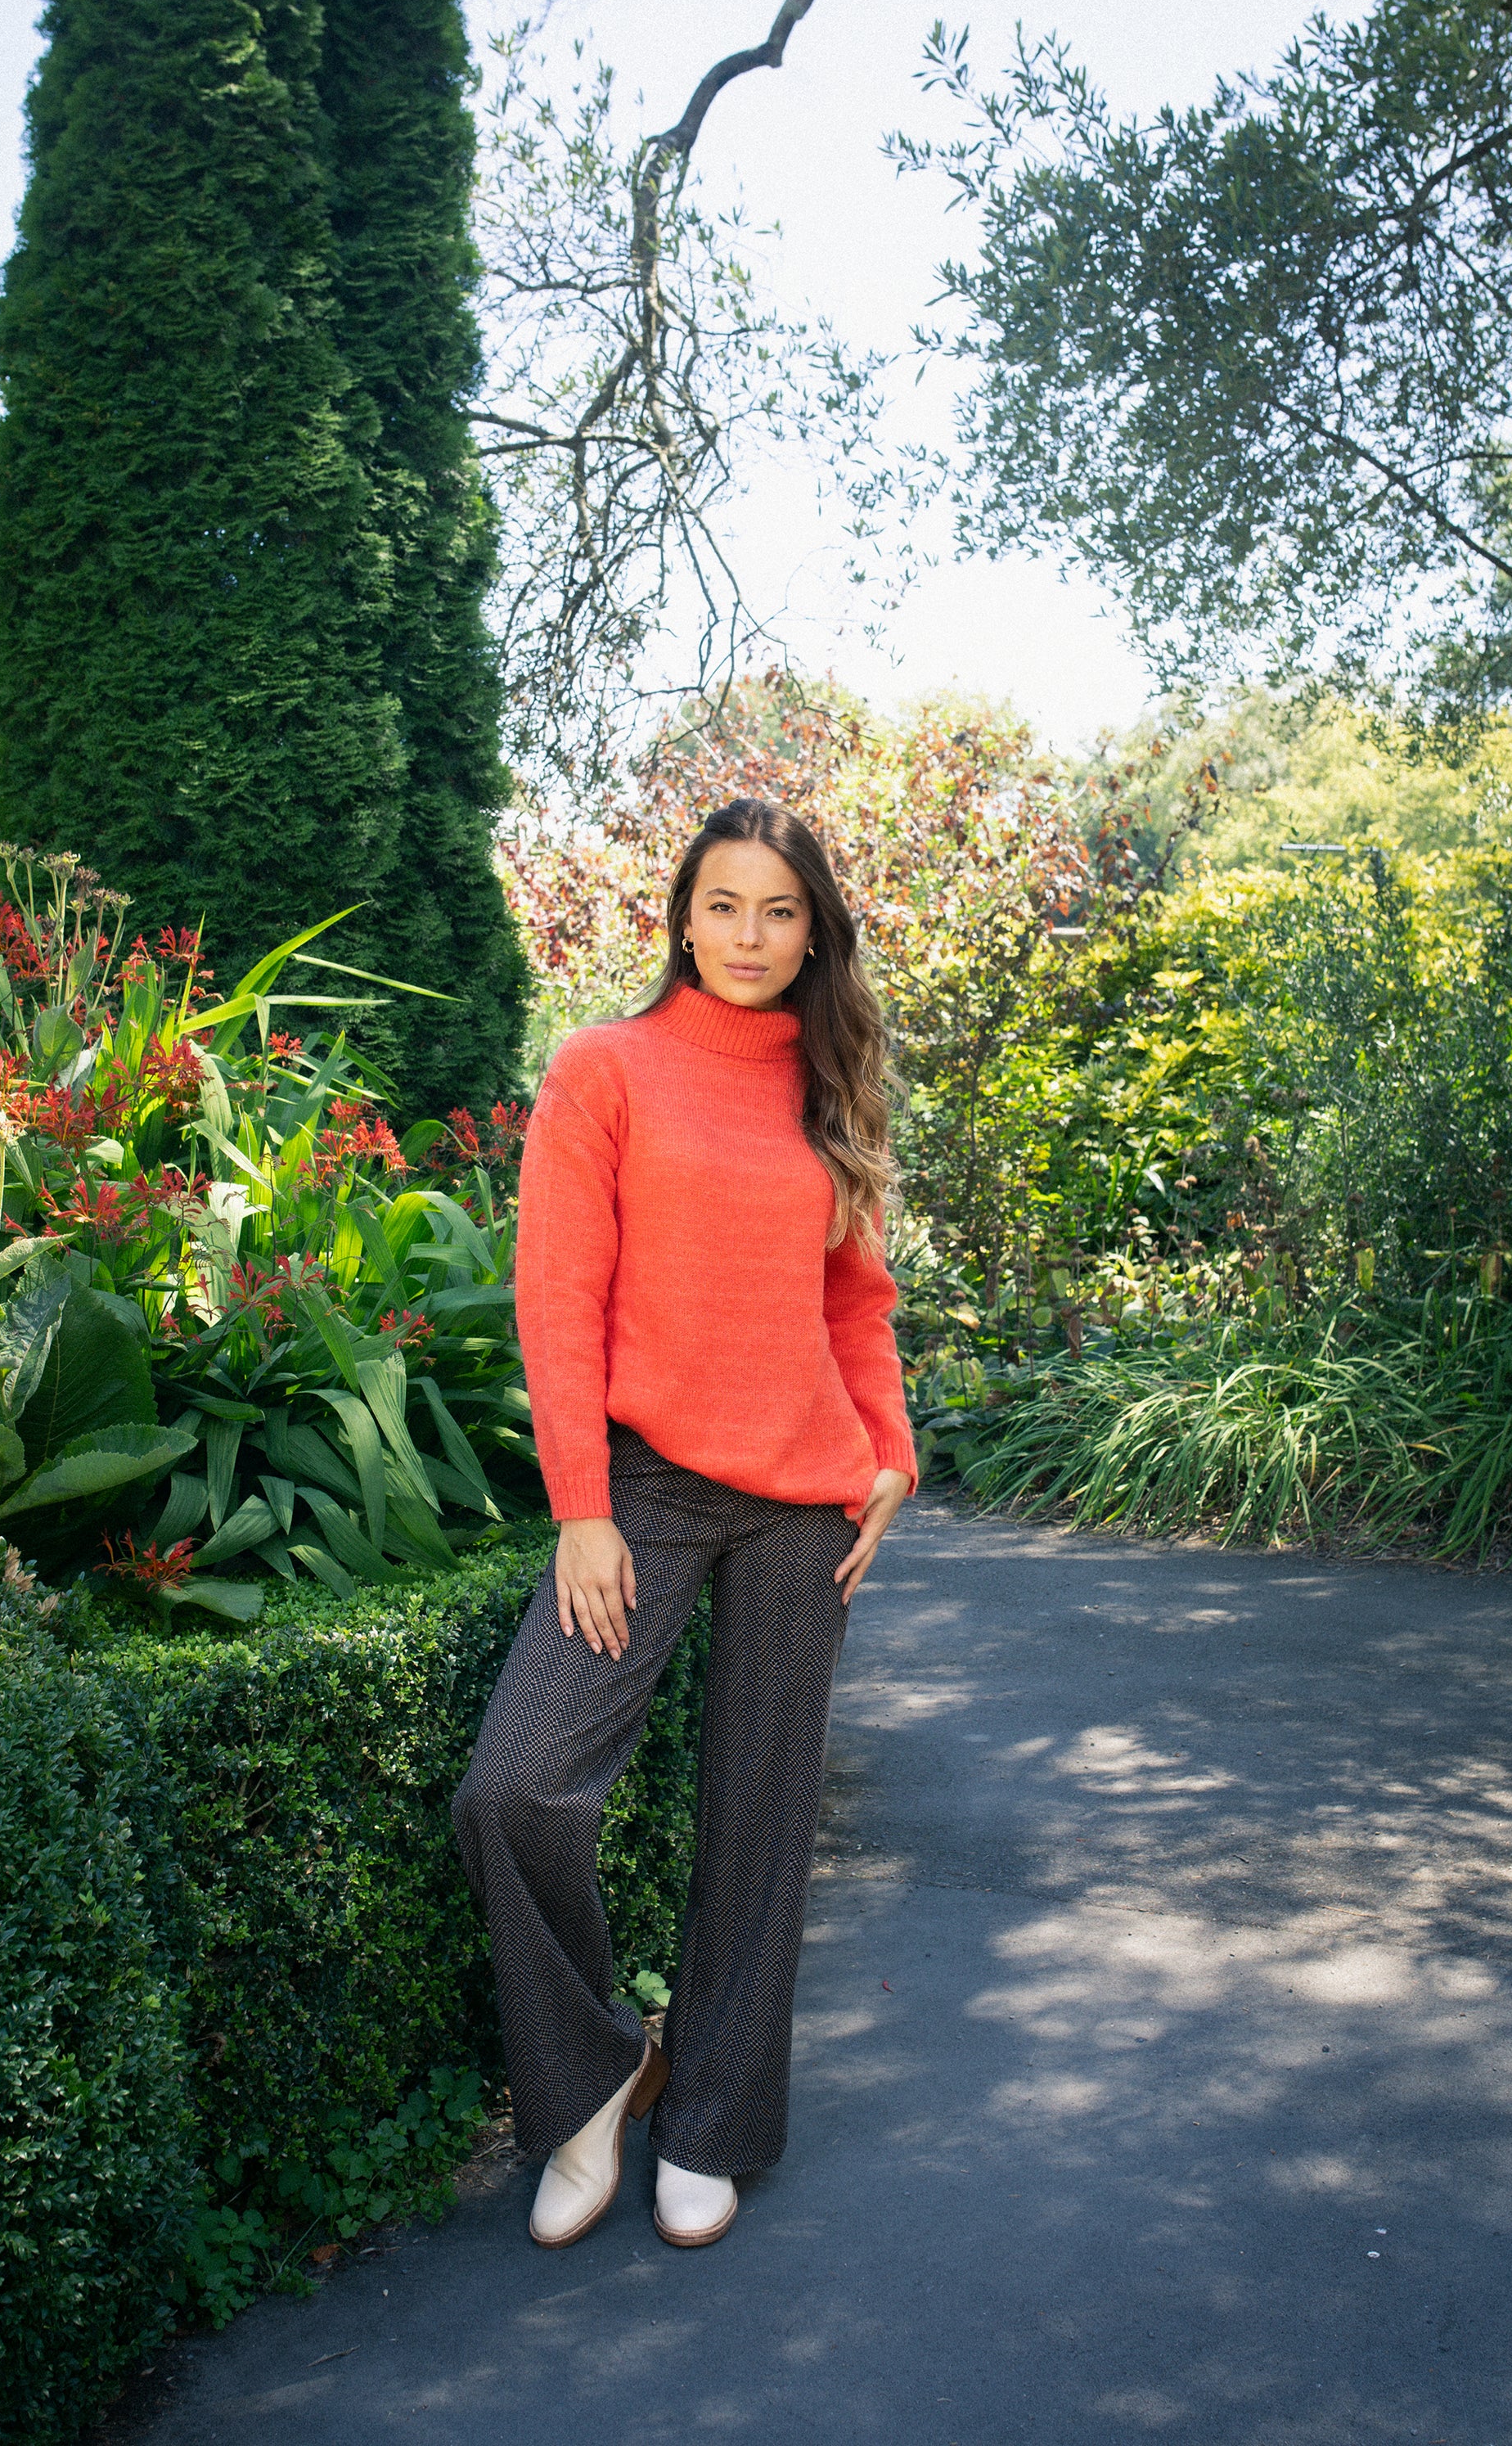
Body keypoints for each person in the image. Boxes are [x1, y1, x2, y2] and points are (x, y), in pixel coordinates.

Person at [452, 797, 916, 2252]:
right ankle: (594, 2082)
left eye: (781, 911)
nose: (752, 938)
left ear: (813, 927)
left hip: (803, 1503)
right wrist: (580, 1510)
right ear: (683, 914)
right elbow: (557, 1299)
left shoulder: (826, 1088)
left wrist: (890, 1453)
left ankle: (712, 2123)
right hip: (644, 1486)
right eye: (725, 905)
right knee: (514, 1789)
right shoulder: (607, 1069)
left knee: (761, 1821)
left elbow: (858, 1300)